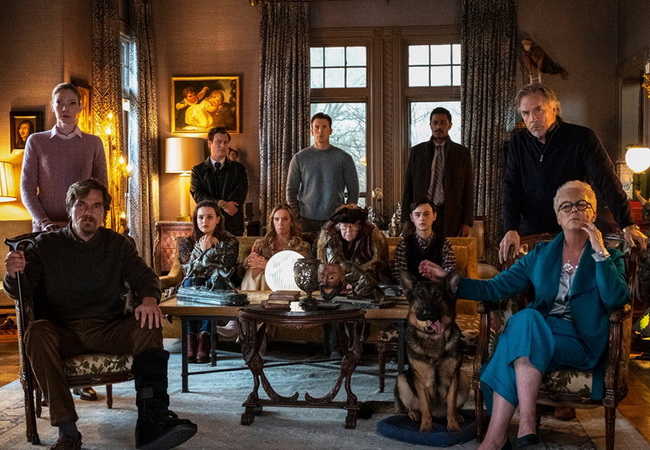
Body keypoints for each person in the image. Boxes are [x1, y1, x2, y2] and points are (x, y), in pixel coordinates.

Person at [3, 179, 197, 450]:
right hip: (63, 333)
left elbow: (145, 276)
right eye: (81, 205)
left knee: (149, 323)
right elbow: (22, 291)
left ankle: (152, 420)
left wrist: (150, 300)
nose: (88, 212)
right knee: (36, 332)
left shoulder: (117, 244)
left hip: (109, 329)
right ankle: (68, 433)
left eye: (96, 206)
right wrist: (12, 274)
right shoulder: (45, 245)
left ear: (104, 213)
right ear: (70, 209)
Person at [456, 181, 628, 450]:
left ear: (593, 213)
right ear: (558, 217)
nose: (574, 210)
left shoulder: (611, 257)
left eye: (582, 204)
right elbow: (496, 287)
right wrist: (451, 283)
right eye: (566, 206)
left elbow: (616, 299)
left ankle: (499, 436)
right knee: (527, 319)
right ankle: (516, 427)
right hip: (541, 333)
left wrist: (599, 252)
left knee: (516, 337)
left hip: (580, 342)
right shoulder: (541, 254)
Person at [500, 83, 647, 263]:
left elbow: (606, 180)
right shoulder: (518, 143)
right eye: (526, 113)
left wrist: (628, 224)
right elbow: (511, 188)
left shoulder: (582, 137)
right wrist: (510, 229)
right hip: (532, 234)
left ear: (554, 109)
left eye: (538, 109)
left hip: (575, 230)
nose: (533, 118)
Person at [21, 83, 108, 232]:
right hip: (45, 228)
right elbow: (27, 188)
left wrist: (93, 219)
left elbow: (102, 189)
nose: (64, 109)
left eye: (71, 103)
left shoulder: (93, 143)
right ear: (52, 106)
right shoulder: (36, 141)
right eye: (59, 102)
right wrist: (43, 222)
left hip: (81, 227)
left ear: (80, 107)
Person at [316, 204, 390, 357]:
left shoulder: (372, 237)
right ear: (338, 227)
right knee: (330, 302)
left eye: (352, 227)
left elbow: (378, 265)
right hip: (335, 283)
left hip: (364, 283)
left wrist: (356, 282)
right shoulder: (329, 236)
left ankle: (357, 347)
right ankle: (335, 348)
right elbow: (324, 265)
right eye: (345, 227)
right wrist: (341, 281)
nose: (348, 231)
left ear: (359, 226)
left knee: (360, 306)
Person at [178, 200, 239, 364]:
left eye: (209, 217)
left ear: (218, 219)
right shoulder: (186, 242)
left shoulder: (230, 240)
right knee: (192, 281)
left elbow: (224, 268)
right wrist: (201, 249)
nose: (204, 221)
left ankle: (204, 338)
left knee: (211, 281)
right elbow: (188, 271)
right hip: (193, 283)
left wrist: (209, 253)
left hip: (219, 284)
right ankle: (191, 338)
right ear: (195, 220)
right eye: (201, 217)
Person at [401, 107, 474, 237]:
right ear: (430, 125)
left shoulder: (462, 153)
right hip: (422, 214)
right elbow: (408, 188)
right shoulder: (417, 152)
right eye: (435, 123)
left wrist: (467, 222)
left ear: (449, 125)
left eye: (442, 123)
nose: (438, 126)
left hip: (450, 215)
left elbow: (468, 190)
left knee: (448, 249)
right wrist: (406, 218)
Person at [286, 112, 360, 233]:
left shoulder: (344, 158)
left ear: (330, 131)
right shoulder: (299, 158)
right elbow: (290, 190)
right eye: (316, 127)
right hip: (306, 220)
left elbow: (354, 190)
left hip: (335, 219)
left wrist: (346, 215)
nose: (320, 131)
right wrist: (297, 215)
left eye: (324, 127)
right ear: (311, 131)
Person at [190, 127, 248, 236]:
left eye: (225, 142)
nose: (223, 146)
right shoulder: (198, 171)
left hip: (233, 224)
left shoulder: (239, 169)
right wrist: (221, 204)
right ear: (209, 143)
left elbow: (241, 192)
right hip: (206, 225)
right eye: (219, 142)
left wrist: (227, 206)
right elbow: (198, 195)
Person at [241, 204, 310, 290]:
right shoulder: (261, 244)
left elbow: (301, 272)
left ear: (291, 222)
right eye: (276, 219)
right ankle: (250, 296)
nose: (280, 223)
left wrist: (269, 266)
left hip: (288, 284)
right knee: (254, 271)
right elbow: (243, 270)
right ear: (272, 222)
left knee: (266, 276)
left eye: (285, 219)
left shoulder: (301, 245)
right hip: (258, 283)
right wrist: (248, 261)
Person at [392, 199, 456, 287]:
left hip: (437, 290)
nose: (422, 218)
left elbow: (451, 276)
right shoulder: (403, 245)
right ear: (411, 218)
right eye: (417, 215)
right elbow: (399, 276)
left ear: (434, 216)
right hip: (413, 291)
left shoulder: (445, 244)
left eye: (426, 214)